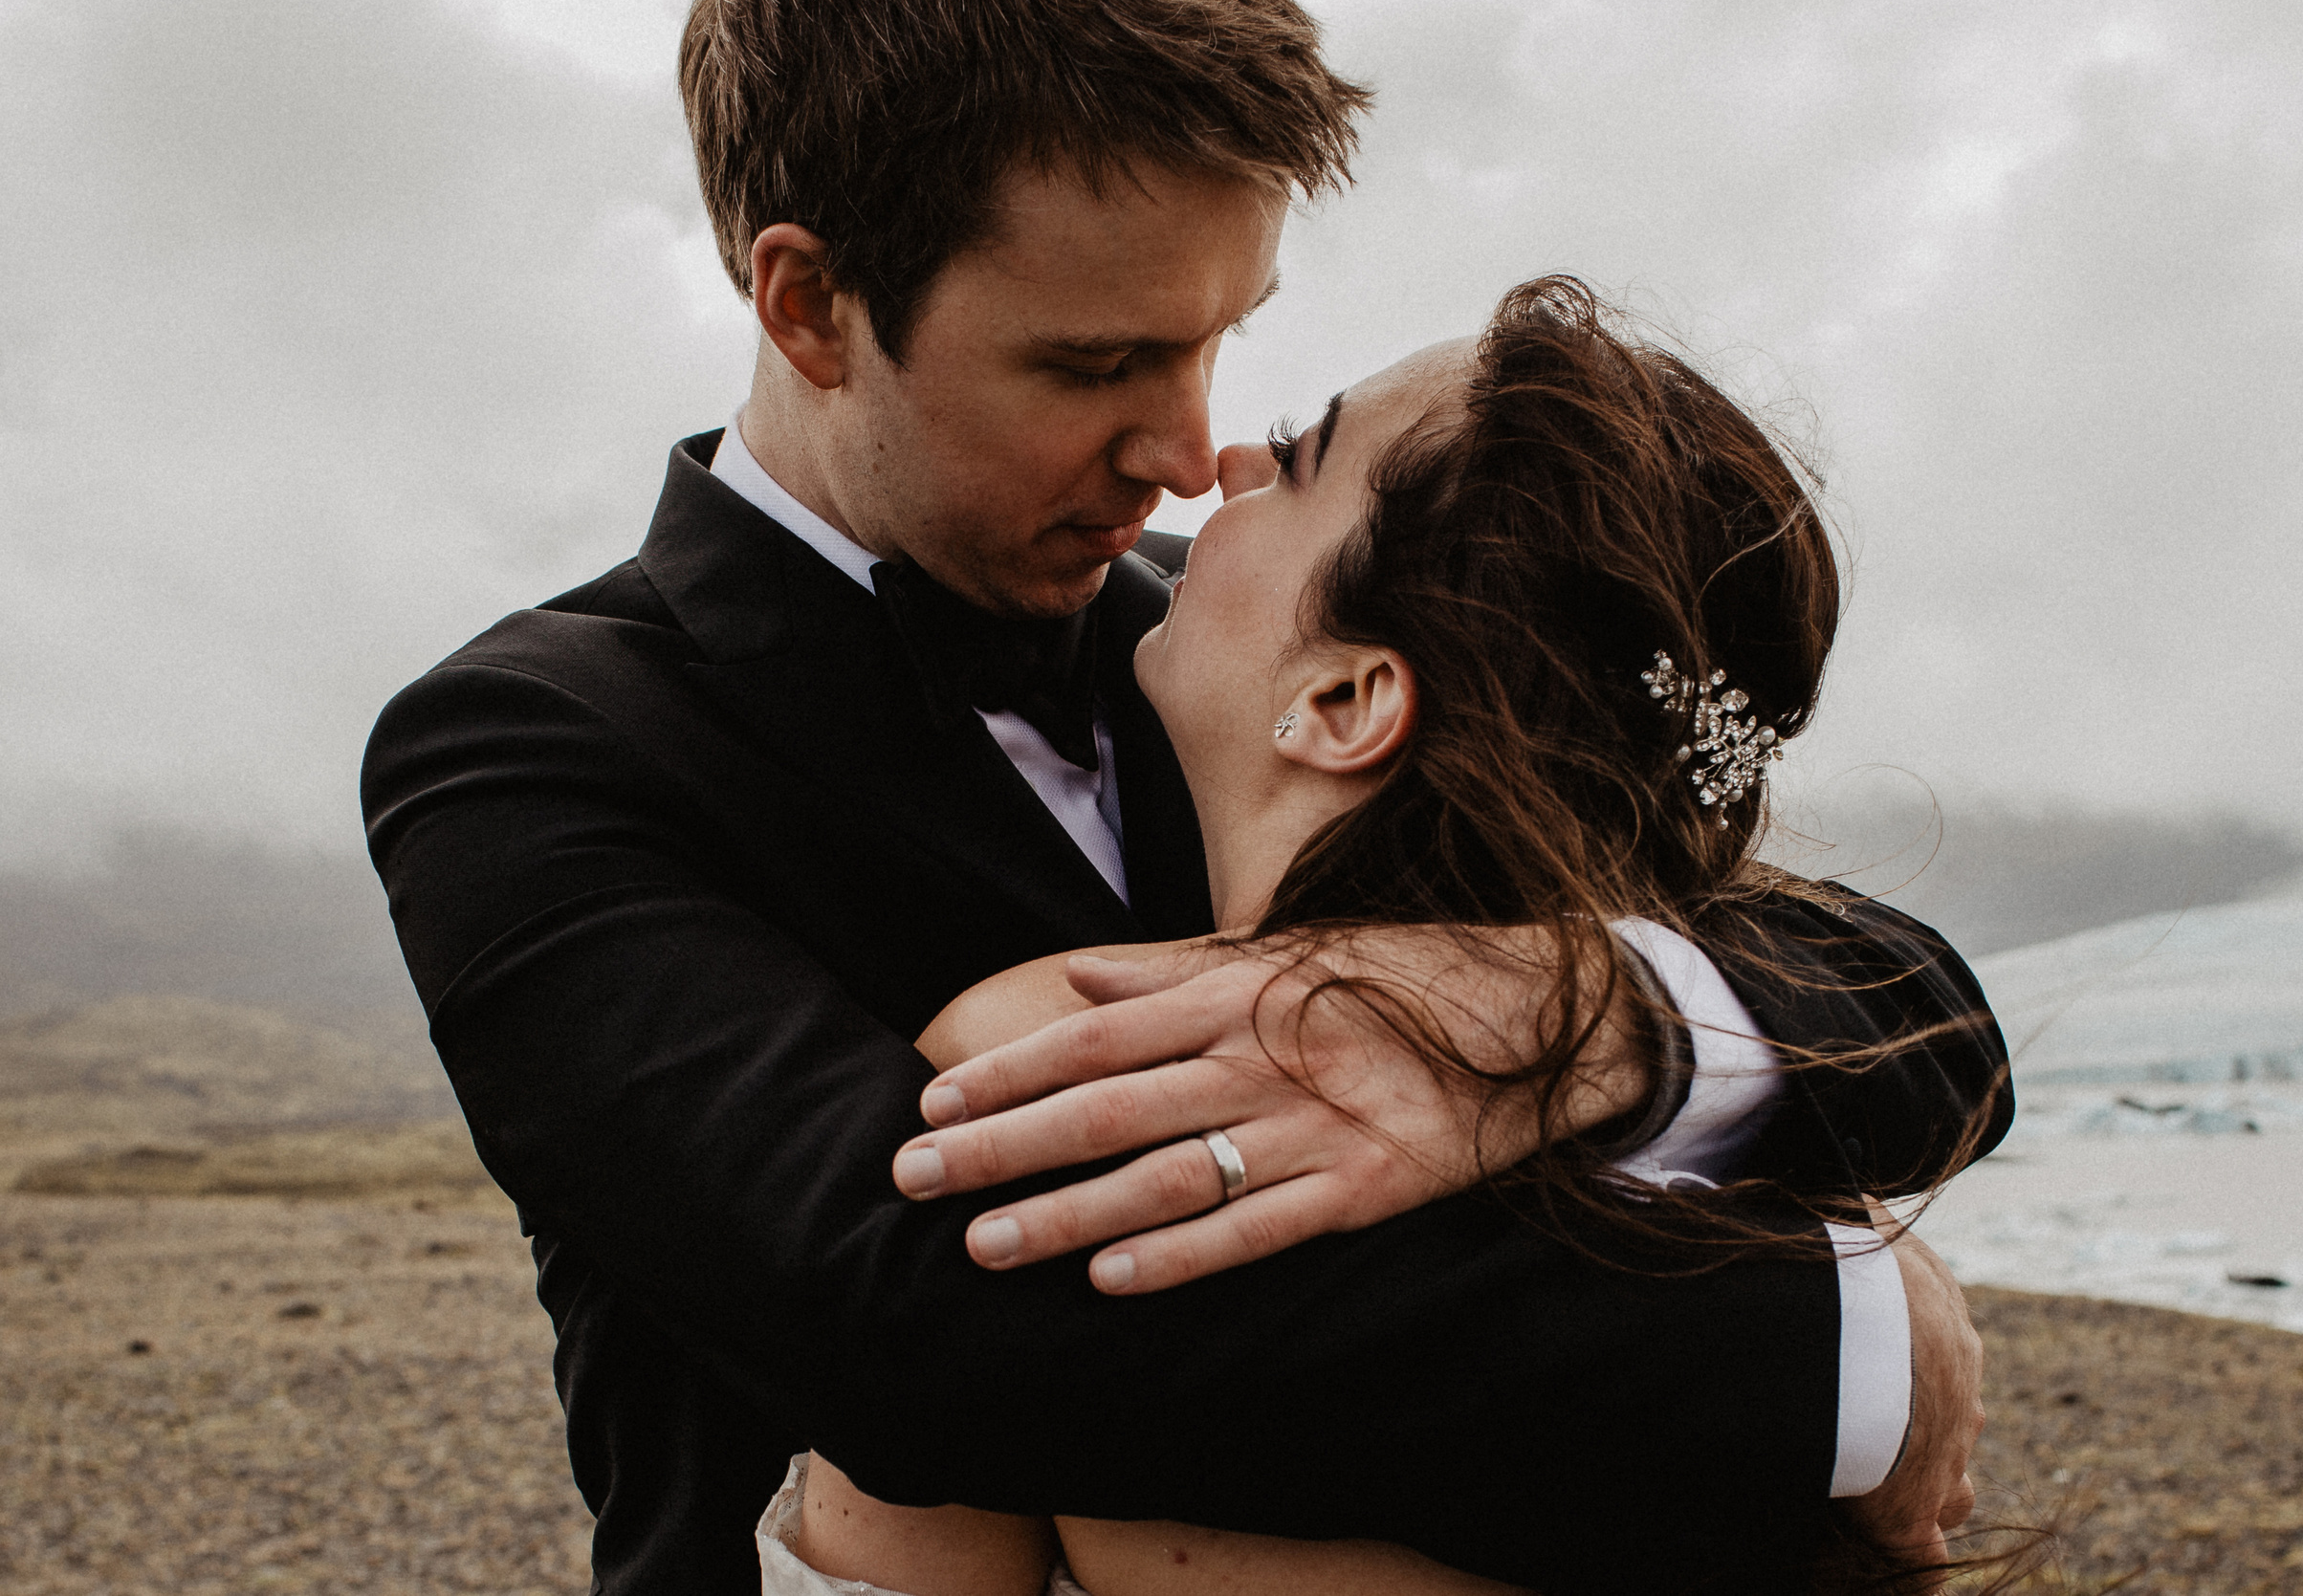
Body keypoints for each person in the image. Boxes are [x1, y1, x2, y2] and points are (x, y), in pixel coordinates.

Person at [359, 0, 2008, 1590]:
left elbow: (1905, 997)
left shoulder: (1237, 633)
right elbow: (921, 1324)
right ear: (809, 306)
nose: (1186, 447)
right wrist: (1835, 1342)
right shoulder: (531, 748)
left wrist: (1561, 1016)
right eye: (1093, 367)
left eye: (1223, 339)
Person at [767, 282, 2005, 1596]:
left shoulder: (1063, 1043)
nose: (1224, 461)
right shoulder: (1780, 1156)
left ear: (1349, 698)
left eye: (1296, 462)